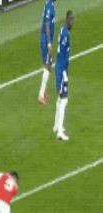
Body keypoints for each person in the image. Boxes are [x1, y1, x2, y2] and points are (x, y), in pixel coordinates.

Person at [53, 10, 75, 141]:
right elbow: (62, 56)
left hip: (61, 69)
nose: (72, 22)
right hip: (61, 70)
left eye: (73, 19)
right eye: (71, 19)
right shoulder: (65, 34)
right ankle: (60, 132)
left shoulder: (63, 30)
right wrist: (64, 73)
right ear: (66, 20)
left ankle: (56, 126)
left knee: (60, 98)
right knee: (64, 100)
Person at [38, 0, 57, 105]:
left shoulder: (49, 3)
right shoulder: (50, 6)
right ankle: (41, 95)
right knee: (48, 65)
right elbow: (46, 25)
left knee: (48, 64)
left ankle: (43, 90)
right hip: (46, 39)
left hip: (46, 38)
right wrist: (49, 44)